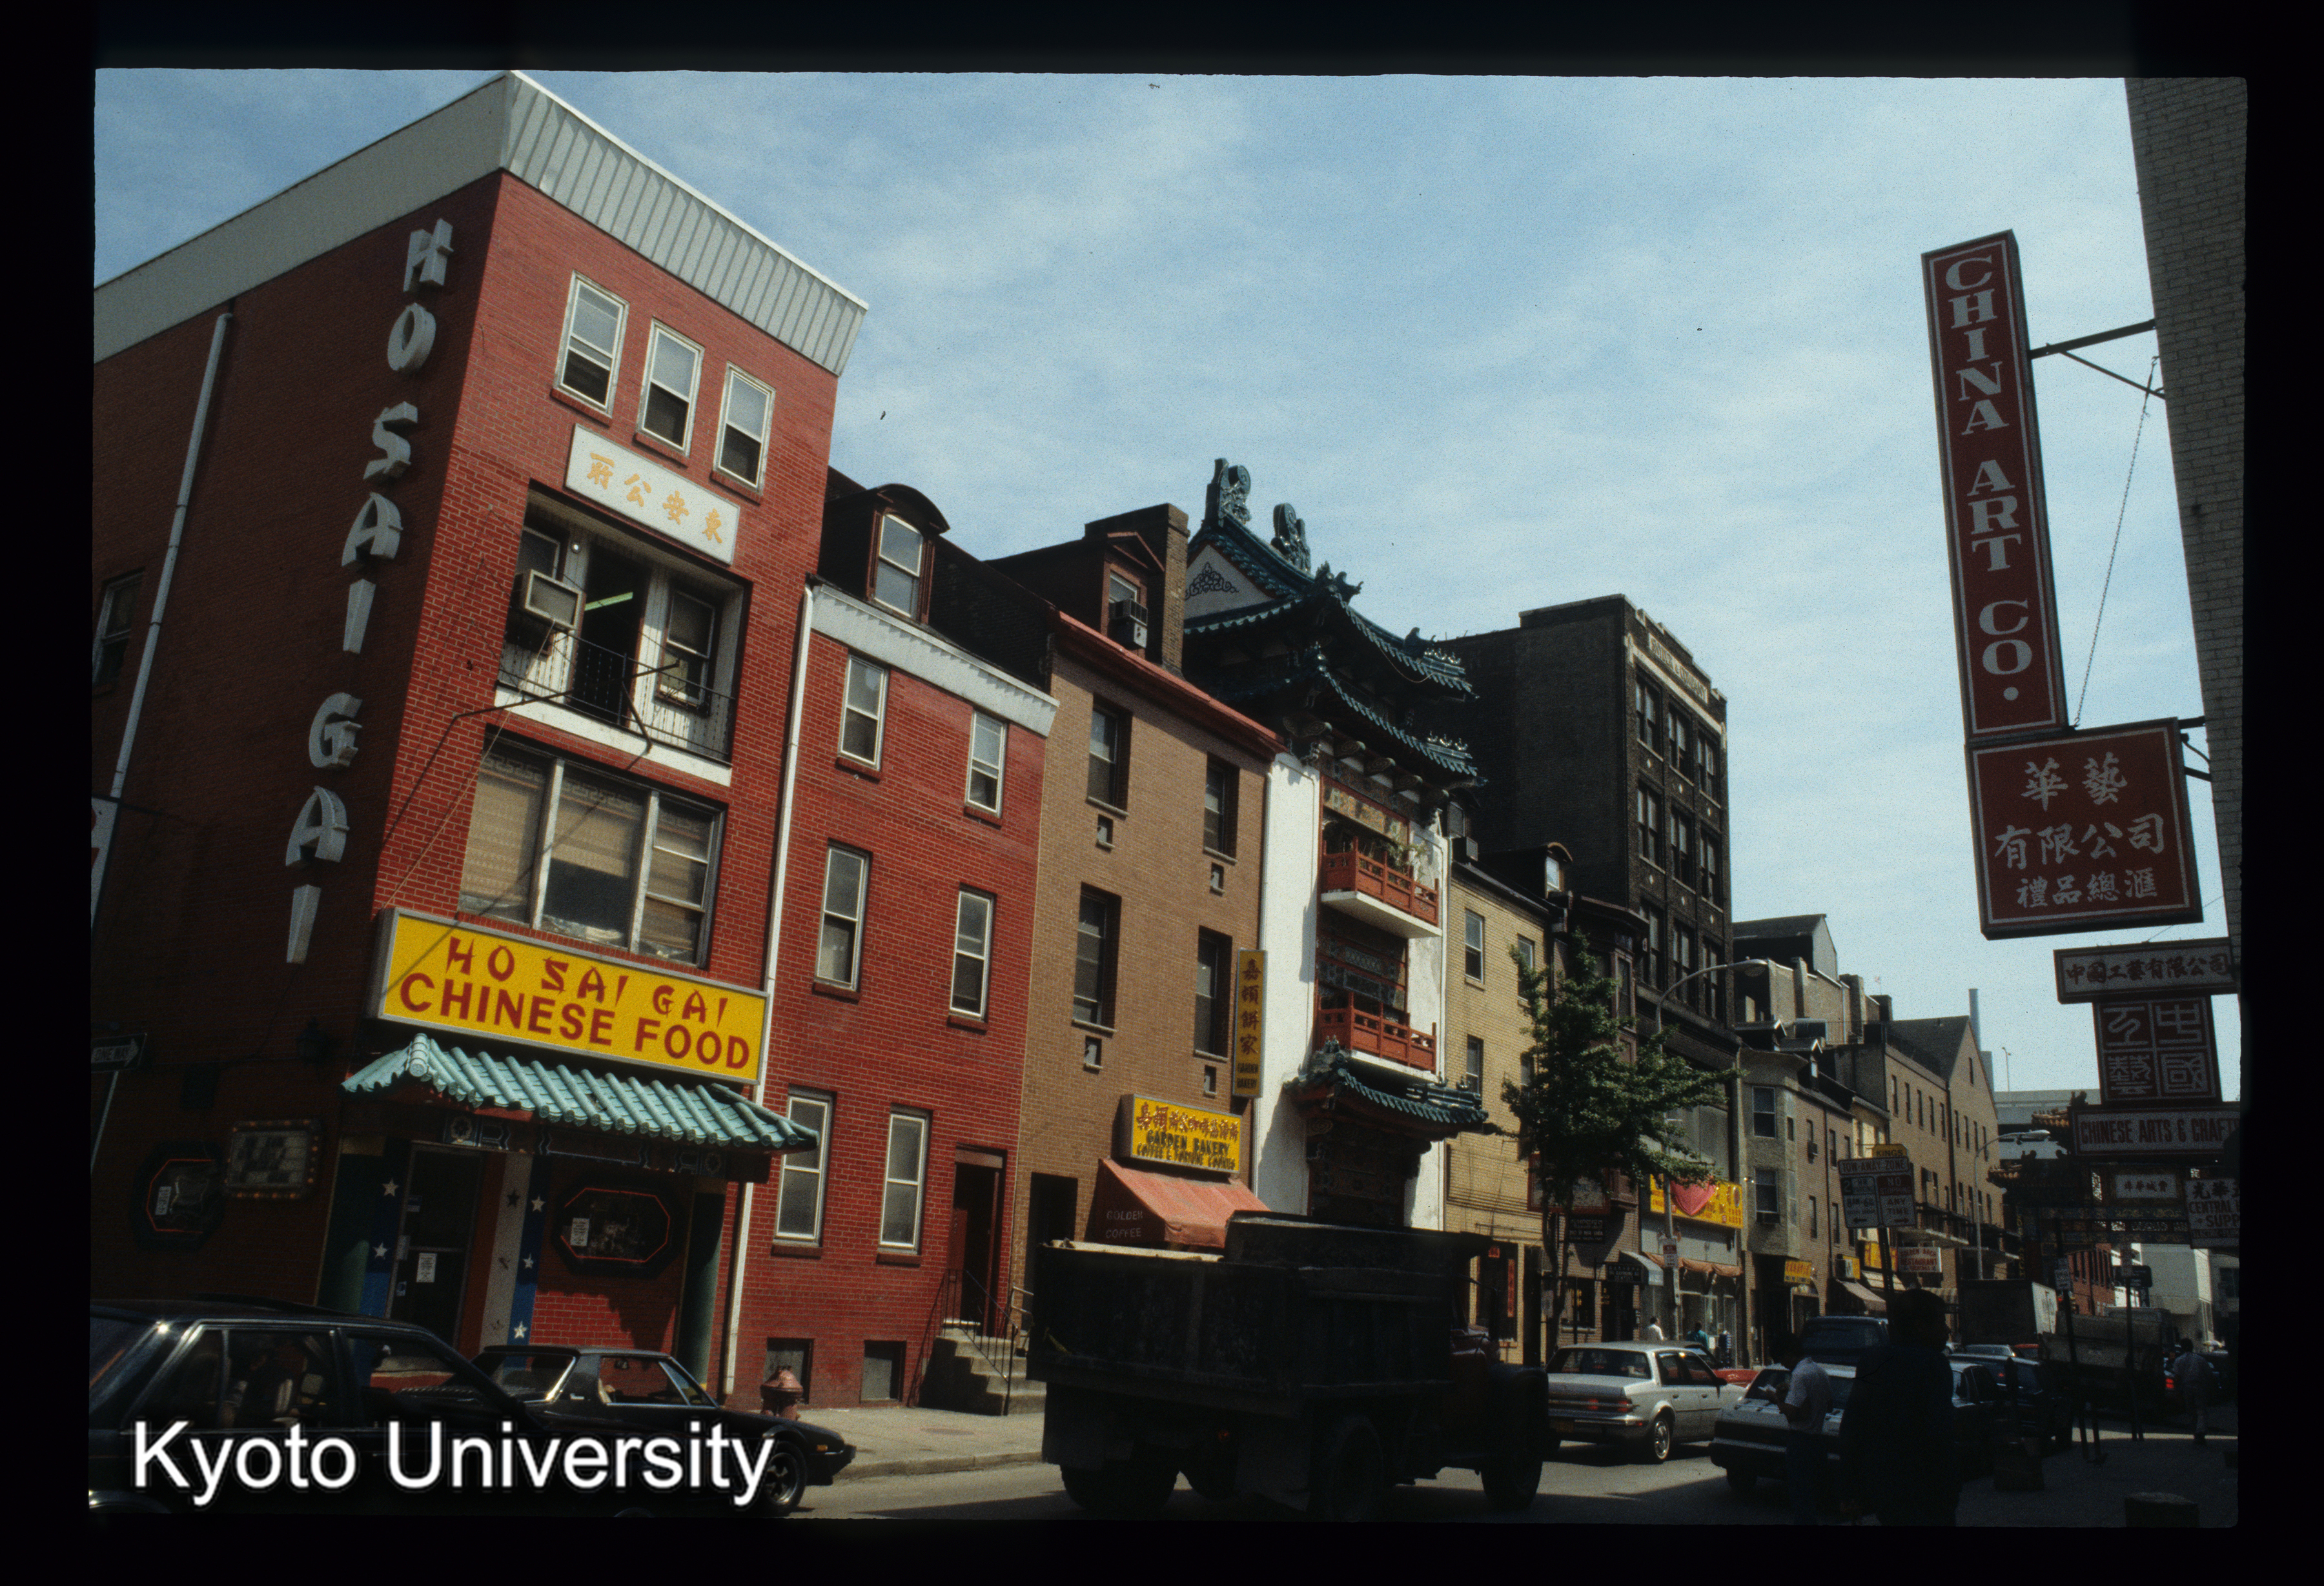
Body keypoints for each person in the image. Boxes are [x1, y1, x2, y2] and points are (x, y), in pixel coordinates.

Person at [1839, 1288, 1960, 1525]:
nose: (1947, 1329)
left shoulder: (1872, 1361)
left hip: (1886, 1491)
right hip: (1928, 1492)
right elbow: (1939, 1434)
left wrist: (1849, 1490)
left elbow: (1853, 1427)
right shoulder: (1934, 1364)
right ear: (1920, 1327)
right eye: (1941, 1322)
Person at [1773, 1332, 1834, 1525]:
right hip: (1818, 1441)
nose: (1782, 1364)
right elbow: (1830, 1405)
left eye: (1781, 1359)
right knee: (1815, 1498)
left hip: (1801, 1442)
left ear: (1789, 1354)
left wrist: (1775, 1398)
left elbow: (1791, 1413)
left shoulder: (1799, 1375)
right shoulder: (1819, 1371)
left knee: (1801, 1499)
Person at [2170, 1338, 2216, 1445]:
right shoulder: (2200, 1360)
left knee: (2191, 1410)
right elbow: (2209, 1375)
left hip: (2187, 1387)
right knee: (2201, 1410)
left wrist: (2177, 1393)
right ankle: (2200, 1431)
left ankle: (2196, 1431)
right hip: (2199, 1387)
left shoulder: (2179, 1360)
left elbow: (2177, 1378)